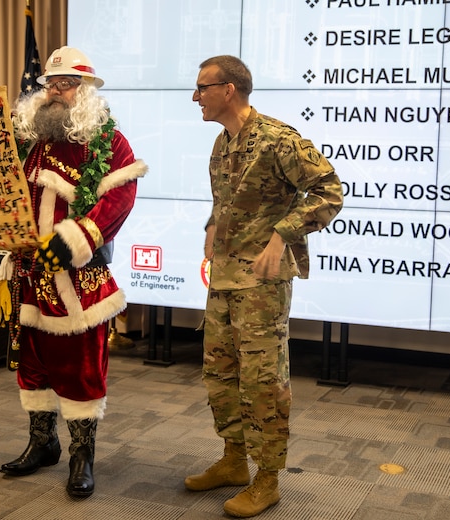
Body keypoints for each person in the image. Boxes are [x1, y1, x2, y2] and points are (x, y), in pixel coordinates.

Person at [0, 46, 146, 497]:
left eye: (67, 84)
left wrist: (77, 237)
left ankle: (82, 456)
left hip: (77, 278)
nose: (55, 91)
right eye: (51, 83)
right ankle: (43, 441)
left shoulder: (108, 142)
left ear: (86, 90)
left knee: (79, 368)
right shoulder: (31, 133)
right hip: (27, 274)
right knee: (31, 363)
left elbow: (120, 197)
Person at [184, 56, 343, 517]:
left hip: (261, 282)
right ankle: (234, 461)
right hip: (224, 278)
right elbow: (228, 199)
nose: (196, 97)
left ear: (228, 89)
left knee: (262, 380)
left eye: (202, 88)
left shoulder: (277, 139)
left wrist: (283, 234)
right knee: (220, 372)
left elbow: (330, 190)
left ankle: (268, 479)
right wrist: (212, 225)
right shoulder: (221, 143)